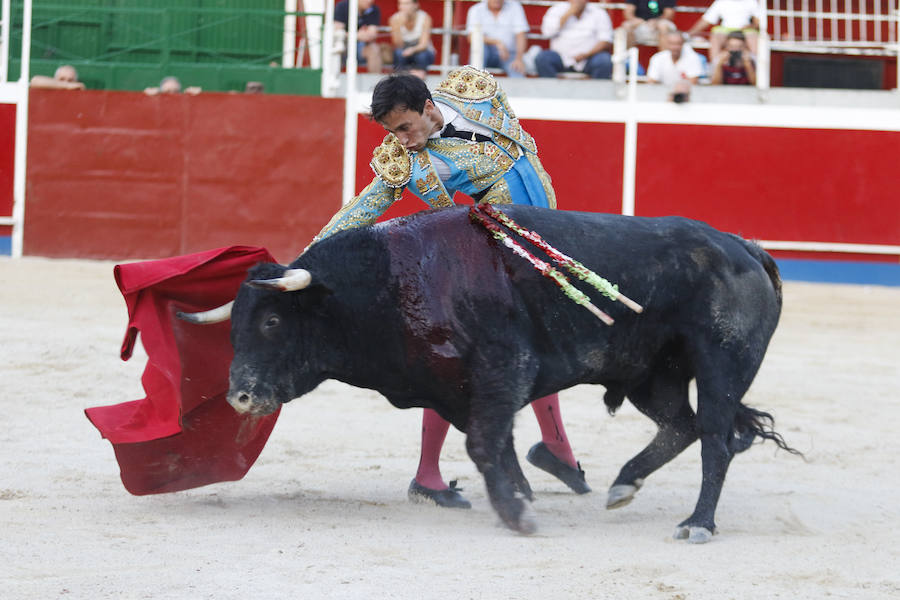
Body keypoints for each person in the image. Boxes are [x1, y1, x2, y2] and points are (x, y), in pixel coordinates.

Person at [310, 68, 592, 508]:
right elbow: (362, 208)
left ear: (428, 107)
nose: (401, 140)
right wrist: (312, 255)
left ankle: (557, 450)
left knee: (539, 342)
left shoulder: (475, 90)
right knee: (455, 356)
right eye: (391, 132)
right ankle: (428, 473)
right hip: (497, 249)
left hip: (543, 233)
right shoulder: (405, 161)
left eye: (404, 127)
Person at [536, 0, 614, 79]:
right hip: (561, 58)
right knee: (543, 58)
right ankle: (550, 90)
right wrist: (569, 13)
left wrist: (586, 55)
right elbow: (547, 33)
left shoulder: (598, 12)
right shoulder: (557, 10)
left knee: (604, 60)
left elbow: (606, 40)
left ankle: (597, 91)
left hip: (589, 59)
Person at [465, 0, 529, 77]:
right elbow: (471, 37)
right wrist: (497, 42)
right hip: (486, 53)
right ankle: (473, 80)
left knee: (517, 72)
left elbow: (521, 35)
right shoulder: (476, 10)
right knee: (481, 50)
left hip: (509, 55)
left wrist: (519, 59)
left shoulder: (515, 7)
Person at [687, 0, 758, 66]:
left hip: (746, 30)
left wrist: (750, 26)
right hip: (725, 29)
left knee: (754, 37)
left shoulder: (751, 1)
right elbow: (707, 20)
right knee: (715, 36)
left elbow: (758, 22)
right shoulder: (721, 1)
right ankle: (715, 67)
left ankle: (758, 70)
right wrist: (688, 34)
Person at [335, 0, 384, 74]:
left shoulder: (373, 9)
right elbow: (338, 32)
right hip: (344, 45)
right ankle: (333, 80)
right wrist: (357, 35)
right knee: (337, 48)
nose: (370, 1)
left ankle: (376, 82)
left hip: (361, 47)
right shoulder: (343, 6)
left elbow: (371, 35)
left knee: (374, 49)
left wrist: (354, 35)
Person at [389, 0, 435, 77]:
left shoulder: (425, 18)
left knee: (421, 55)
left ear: (416, 5)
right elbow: (398, 44)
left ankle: (420, 76)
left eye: (407, 4)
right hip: (404, 49)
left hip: (421, 50)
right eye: (401, 4)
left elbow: (423, 44)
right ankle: (400, 76)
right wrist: (398, 27)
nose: (403, 7)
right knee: (398, 53)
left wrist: (412, 50)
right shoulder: (394, 19)